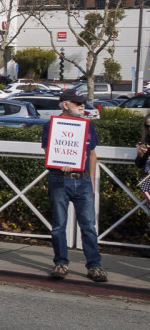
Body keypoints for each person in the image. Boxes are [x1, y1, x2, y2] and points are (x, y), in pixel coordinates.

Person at [43, 90, 106, 282]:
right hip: (59, 179)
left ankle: (94, 266)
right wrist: (59, 162)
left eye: (83, 103)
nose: (82, 106)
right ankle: (61, 263)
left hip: (84, 180)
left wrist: (92, 181)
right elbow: (48, 151)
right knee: (59, 225)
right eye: (78, 103)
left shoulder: (88, 126)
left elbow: (92, 155)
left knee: (88, 226)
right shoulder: (51, 126)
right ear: (65, 105)